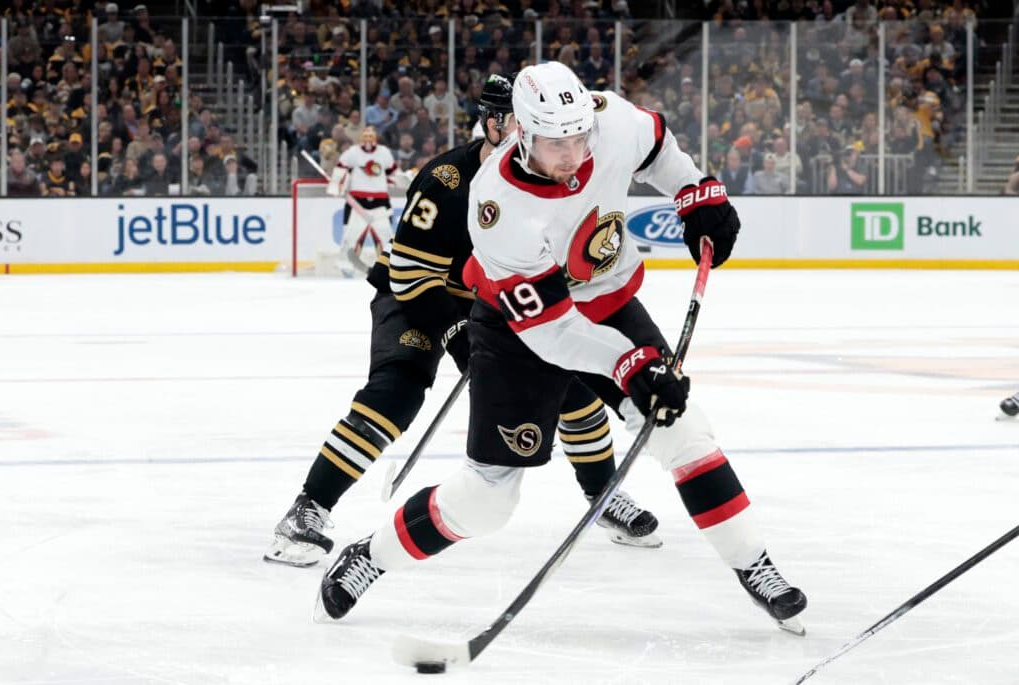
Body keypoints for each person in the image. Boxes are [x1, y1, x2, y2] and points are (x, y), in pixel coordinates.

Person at [317, 63, 807, 633]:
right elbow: (552, 331)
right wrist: (629, 366)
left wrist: (694, 193)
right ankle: (370, 557)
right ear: (522, 133)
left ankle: (756, 566)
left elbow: (658, 147)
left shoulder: (608, 121)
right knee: (487, 500)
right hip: (518, 332)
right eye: (556, 144)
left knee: (683, 429)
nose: (574, 155)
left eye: (579, 138)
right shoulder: (496, 205)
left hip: (607, 299)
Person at [265, 75, 661, 569]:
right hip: (417, 297)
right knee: (396, 393)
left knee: (574, 384)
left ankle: (603, 494)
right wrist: (456, 332)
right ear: (495, 122)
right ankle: (309, 508)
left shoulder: (557, 177)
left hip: (493, 306)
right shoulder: (447, 179)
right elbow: (409, 273)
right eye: (520, 122)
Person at [329, 126, 397, 276]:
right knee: (351, 235)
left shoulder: (384, 152)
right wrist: (334, 184)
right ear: (361, 138)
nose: (368, 139)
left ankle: (388, 269)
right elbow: (340, 167)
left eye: (371, 136)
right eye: (365, 136)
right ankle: (346, 266)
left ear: (375, 138)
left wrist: (404, 180)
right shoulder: (353, 152)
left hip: (380, 201)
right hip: (357, 202)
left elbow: (393, 172)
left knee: (386, 236)